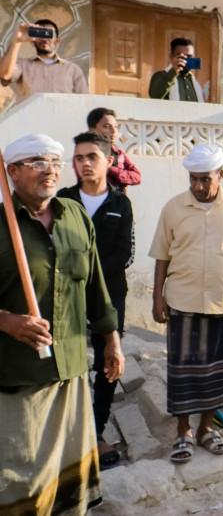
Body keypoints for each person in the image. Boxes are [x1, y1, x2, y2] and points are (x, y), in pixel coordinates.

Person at [0, 133, 123, 514]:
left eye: (54, 162)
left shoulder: (74, 216)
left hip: (70, 369)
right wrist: (7, 321)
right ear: (12, 172)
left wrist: (111, 339)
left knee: (71, 479)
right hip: (19, 376)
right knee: (22, 480)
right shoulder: (2, 224)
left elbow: (95, 284)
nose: (49, 170)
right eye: (37, 162)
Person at [149, 144, 223, 464]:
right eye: (193, 179)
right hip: (182, 300)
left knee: (218, 370)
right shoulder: (173, 207)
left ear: (220, 175)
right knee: (185, 371)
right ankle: (183, 431)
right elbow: (161, 255)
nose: (198, 186)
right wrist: (157, 297)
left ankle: (206, 429)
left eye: (205, 179)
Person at [57, 132, 135, 470]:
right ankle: (70, 434)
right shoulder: (63, 201)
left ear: (108, 161)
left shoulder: (121, 204)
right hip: (67, 298)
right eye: (79, 158)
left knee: (107, 364)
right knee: (68, 362)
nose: (85, 163)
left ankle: (97, 431)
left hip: (111, 297)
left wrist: (92, 278)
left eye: (92, 157)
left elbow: (125, 253)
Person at [0, 20, 88, 101]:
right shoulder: (22, 64)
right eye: (40, 34)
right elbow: (5, 75)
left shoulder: (73, 69)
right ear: (33, 41)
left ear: (57, 40)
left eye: (48, 34)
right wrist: (17, 40)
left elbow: (84, 101)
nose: (44, 39)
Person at [86, 107, 142, 190]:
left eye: (116, 126)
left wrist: (112, 170)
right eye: (107, 126)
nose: (114, 131)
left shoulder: (119, 153)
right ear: (92, 129)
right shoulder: (86, 152)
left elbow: (137, 177)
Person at [149, 37, 205, 102]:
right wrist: (174, 71)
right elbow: (155, 97)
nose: (185, 59)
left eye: (189, 56)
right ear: (171, 56)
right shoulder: (160, 76)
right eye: (180, 56)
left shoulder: (195, 82)